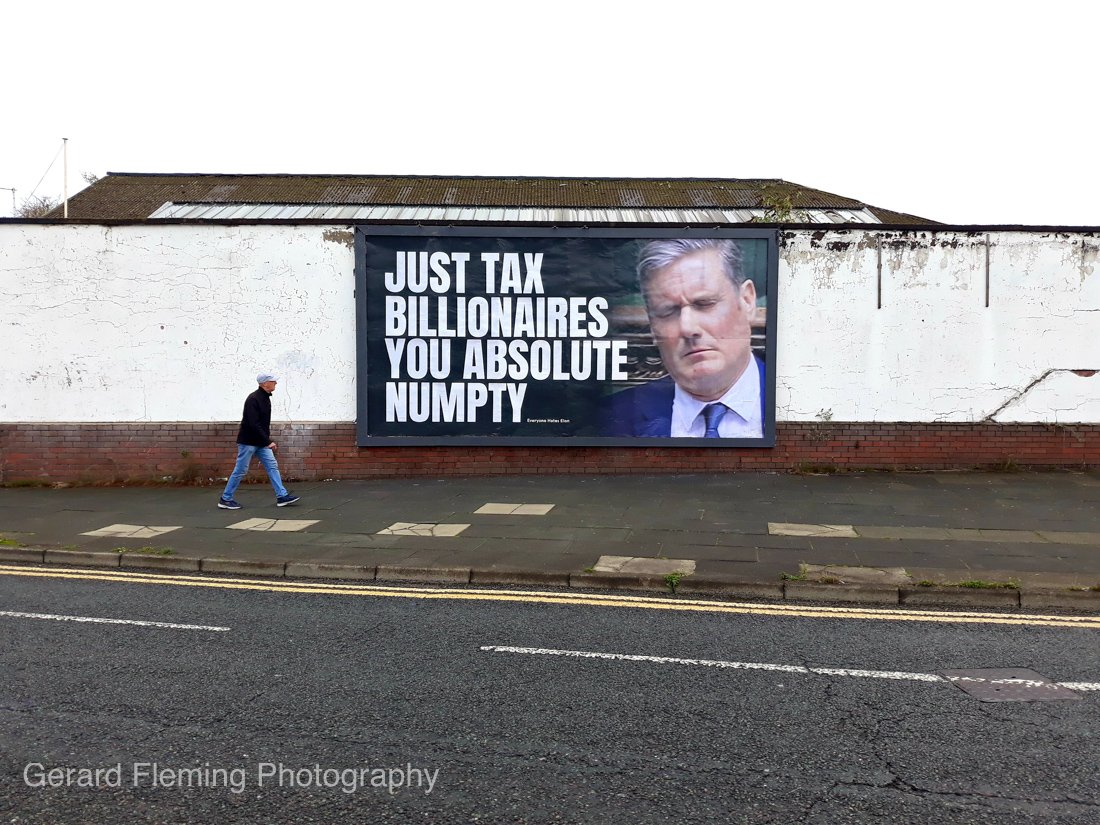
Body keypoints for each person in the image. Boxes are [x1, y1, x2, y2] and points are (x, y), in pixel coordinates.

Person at [604, 238, 765, 438]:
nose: (688, 328)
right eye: (667, 311)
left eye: (705, 303)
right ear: (653, 325)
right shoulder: (611, 419)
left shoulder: (799, 399)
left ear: (747, 302)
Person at [217, 373, 300, 509]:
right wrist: (268, 441)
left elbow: (260, 424)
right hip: (248, 442)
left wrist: (265, 441)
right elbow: (253, 424)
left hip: (261, 443)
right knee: (240, 471)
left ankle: (282, 496)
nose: (276, 383)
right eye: (273, 381)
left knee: (272, 466)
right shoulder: (253, 399)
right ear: (264, 383)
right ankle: (225, 499)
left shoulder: (265, 398)